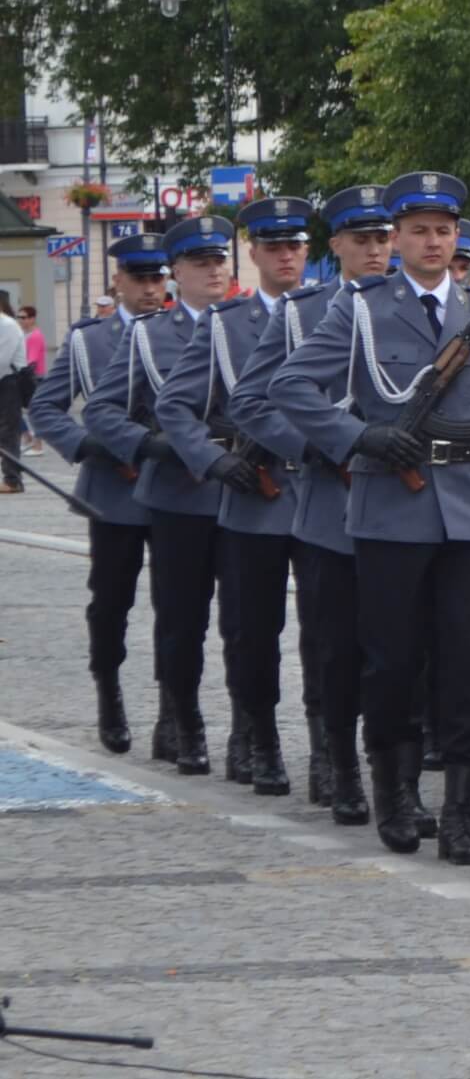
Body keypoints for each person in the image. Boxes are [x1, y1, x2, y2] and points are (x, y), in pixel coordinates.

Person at [272, 171, 470, 866]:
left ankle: (459, 811)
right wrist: (357, 436)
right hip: (390, 509)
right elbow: (291, 385)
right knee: (392, 660)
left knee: (468, 662)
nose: (432, 242)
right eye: (419, 231)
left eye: (444, 231)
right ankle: (394, 791)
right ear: (395, 239)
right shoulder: (362, 310)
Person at [227, 184, 398, 829]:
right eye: (362, 239)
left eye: (382, 238)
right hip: (331, 503)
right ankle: (336, 758)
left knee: (402, 647)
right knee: (334, 644)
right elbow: (251, 400)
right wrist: (317, 447)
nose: (375, 250)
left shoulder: (420, 307)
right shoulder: (305, 312)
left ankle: (394, 772)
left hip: (404, 504)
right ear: (337, 246)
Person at [153, 197, 315, 797]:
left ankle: (328, 750)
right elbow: (175, 405)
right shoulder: (226, 324)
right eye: (274, 247)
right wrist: (214, 461)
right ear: (255, 254)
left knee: (331, 632)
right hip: (256, 493)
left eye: (295, 245)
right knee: (252, 630)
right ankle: (257, 737)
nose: (286, 256)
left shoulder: (336, 312)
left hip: (325, 495)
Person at [84, 216, 242, 776]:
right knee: (181, 620)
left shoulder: (251, 324)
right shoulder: (149, 334)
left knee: (246, 622)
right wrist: (147, 445)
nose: (214, 271)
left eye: (219, 261)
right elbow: (101, 410)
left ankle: (247, 731)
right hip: (179, 494)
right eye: (200, 263)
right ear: (177, 272)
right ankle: (183, 721)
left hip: (245, 490)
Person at [28, 233, 172, 753]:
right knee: (111, 602)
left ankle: (173, 712)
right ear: (118, 281)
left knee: (177, 607)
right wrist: (84, 444)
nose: (151, 289)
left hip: (175, 489)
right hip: (113, 493)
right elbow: (45, 407)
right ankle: (109, 692)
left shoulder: (188, 332)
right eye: (140, 278)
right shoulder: (89, 341)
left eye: (158, 278)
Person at [0, 292, 25, 492]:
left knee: (9, 432)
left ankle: (13, 480)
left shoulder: (7, 325)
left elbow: (2, 360)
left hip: (9, 382)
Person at [19, 304, 44, 455]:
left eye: (24, 317)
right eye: (19, 317)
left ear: (32, 319)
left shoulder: (35, 336)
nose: (21, 320)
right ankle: (27, 437)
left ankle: (37, 445)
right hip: (23, 376)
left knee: (34, 411)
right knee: (13, 408)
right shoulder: (24, 334)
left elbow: (31, 360)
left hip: (32, 378)